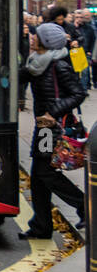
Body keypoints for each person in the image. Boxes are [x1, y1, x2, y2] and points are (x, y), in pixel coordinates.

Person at [19, 22, 88, 239]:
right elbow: (19, 77)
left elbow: (79, 93)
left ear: (45, 41)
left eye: (36, 36)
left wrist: (52, 113)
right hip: (43, 128)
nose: (32, 37)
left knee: (44, 172)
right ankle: (41, 226)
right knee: (38, 176)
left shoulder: (58, 65)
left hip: (51, 129)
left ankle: (84, 206)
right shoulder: (36, 63)